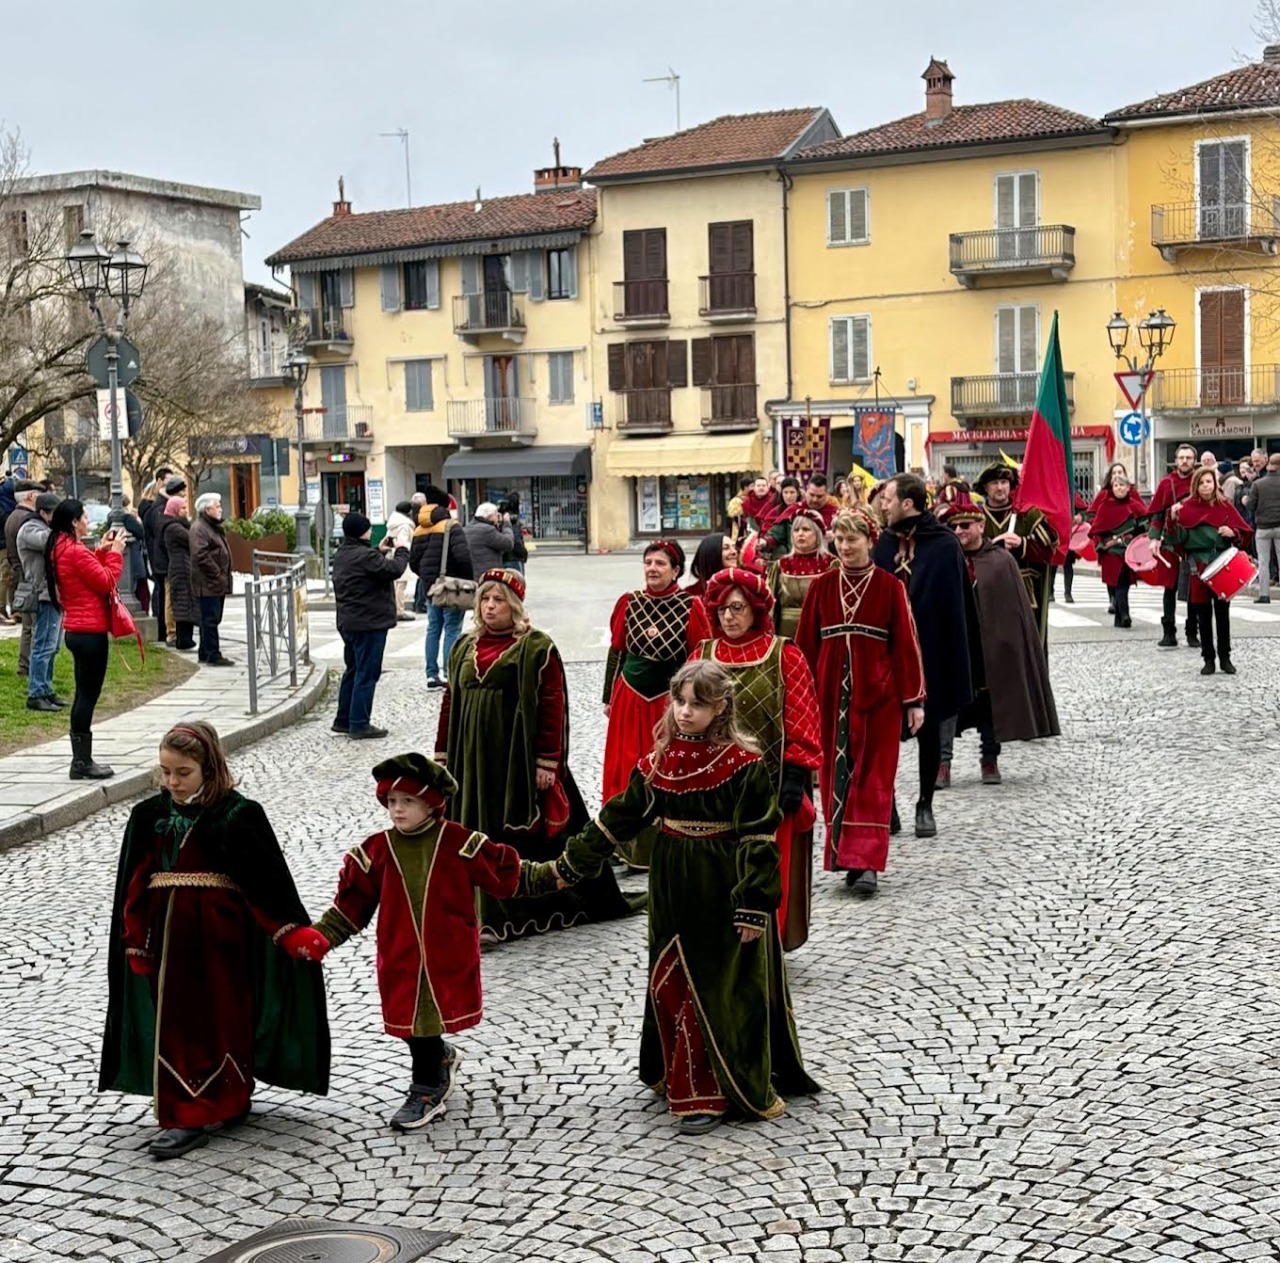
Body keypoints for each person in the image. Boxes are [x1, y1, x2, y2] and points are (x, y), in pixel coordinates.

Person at [524, 659, 819, 1135]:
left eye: (697, 704)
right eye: (679, 702)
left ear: (720, 707)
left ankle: (712, 1089)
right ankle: (679, 1073)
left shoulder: (745, 765)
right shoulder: (660, 762)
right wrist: (569, 865)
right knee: (673, 975)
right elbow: (618, 818)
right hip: (670, 883)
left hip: (722, 888)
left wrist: (753, 905)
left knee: (717, 985)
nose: (684, 712)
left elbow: (759, 840)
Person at [99, 721, 329, 1159]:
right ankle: (185, 1114)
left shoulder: (238, 814)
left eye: (182, 772)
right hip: (167, 940)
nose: (171, 781)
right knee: (180, 1024)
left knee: (225, 1016)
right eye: (165, 771)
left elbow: (265, 882)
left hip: (224, 939)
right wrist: (134, 939)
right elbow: (133, 882)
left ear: (209, 767)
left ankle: (229, 1096)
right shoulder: (149, 815)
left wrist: (289, 931)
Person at [308, 753, 519, 1129]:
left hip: (447, 952)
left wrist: (560, 874)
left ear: (430, 804)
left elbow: (507, 875)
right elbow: (350, 908)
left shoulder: (459, 842)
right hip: (400, 953)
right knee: (410, 1019)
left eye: (408, 801)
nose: (397, 810)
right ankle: (438, 1058)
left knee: (426, 1016)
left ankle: (426, 1087)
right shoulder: (376, 850)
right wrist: (318, 939)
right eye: (391, 801)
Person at [435, 569, 637, 940]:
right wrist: (443, 756)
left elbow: (551, 705)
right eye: (485, 599)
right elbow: (451, 702)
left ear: (514, 605)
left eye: (498, 600)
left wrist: (547, 762)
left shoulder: (537, 647)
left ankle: (510, 910)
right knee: (468, 830)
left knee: (521, 834)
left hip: (514, 762)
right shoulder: (464, 646)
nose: (490, 606)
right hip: (470, 760)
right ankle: (472, 910)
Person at [795, 511, 925, 896]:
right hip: (831, 695)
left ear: (869, 541)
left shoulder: (889, 587)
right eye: (839, 539)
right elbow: (804, 646)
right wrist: (801, 696)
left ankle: (866, 863)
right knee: (837, 775)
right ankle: (843, 856)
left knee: (873, 777)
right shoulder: (820, 587)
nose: (845, 547)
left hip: (878, 697)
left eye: (853, 540)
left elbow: (906, 644)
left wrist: (913, 699)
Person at [695, 567, 822, 945]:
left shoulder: (783, 654)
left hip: (770, 788)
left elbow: (802, 717)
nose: (729, 617)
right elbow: (681, 716)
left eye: (737, 608)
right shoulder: (702, 655)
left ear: (755, 610)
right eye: (722, 610)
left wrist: (795, 775)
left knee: (767, 869)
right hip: (712, 788)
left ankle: (766, 943)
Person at [873, 474, 978, 838]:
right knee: (884, 731)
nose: (882, 504)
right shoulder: (882, 544)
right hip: (887, 652)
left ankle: (924, 804)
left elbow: (959, 609)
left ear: (907, 502)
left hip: (931, 647)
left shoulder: (945, 545)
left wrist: (956, 659)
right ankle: (888, 806)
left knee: (929, 728)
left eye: (888, 498)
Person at [601, 541, 713, 867]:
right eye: (648, 562)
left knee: (662, 767)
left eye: (660, 563)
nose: (652, 568)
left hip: (668, 702)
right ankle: (618, 840)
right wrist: (608, 696)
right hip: (629, 698)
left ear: (675, 570)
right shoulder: (629, 603)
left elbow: (698, 657)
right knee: (623, 768)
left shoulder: (690, 607)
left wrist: (692, 702)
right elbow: (617, 650)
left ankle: (660, 841)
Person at [938, 494, 1059, 786]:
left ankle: (989, 759)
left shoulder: (1001, 560)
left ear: (980, 526)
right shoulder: (944, 559)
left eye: (965, 526)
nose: (960, 532)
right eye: (954, 528)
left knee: (990, 700)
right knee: (946, 704)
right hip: (954, 645)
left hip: (990, 646)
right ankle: (943, 763)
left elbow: (1013, 611)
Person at [44, 501, 127, 778]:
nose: (88, 519)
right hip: (90, 632)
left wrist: (100, 552)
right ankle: (81, 762)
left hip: (76, 630)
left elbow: (87, 577)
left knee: (83, 694)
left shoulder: (61, 548)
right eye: (84, 516)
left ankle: (81, 759)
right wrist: (115, 554)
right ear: (74, 522)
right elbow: (106, 582)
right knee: (87, 697)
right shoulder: (76, 551)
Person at [1165, 466, 1252, 675]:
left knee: (1223, 614)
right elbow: (1176, 540)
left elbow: (1244, 532)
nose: (1206, 486)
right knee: (1203, 615)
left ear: (1215, 483)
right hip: (1198, 567)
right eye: (1202, 482)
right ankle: (1208, 659)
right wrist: (1173, 519)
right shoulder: (1186, 508)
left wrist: (1233, 532)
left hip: (1222, 564)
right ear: (1196, 485)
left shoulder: (1225, 505)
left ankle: (1225, 657)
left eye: (1209, 482)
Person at [332, 511, 408, 739]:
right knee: (367, 673)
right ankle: (359, 723)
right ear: (362, 531)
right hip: (369, 623)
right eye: (368, 528)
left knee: (353, 670)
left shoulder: (344, 553)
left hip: (350, 622)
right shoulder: (365, 556)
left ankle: (343, 719)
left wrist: (379, 550)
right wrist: (402, 550)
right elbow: (394, 570)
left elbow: (366, 565)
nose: (371, 531)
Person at [974, 462, 1057, 642]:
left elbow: (1049, 549)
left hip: (1023, 592)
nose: (1000, 487)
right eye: (994, 483)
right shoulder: (975, 517)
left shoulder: (1028, 514)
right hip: (988, 591)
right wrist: (993, 546)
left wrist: (1022, 544)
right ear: (985, 488)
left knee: (1024, 645)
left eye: (1004, 482)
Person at [412, 488, 473, 690]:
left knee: (433, 628)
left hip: (430, 587)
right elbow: (463, 557)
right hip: (450, 586)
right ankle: (449, 673)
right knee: (452, 629)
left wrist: (427, 577)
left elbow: (413, 562)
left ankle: (431, 675)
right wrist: (467, 580)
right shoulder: (450, 526)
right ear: (446, 505)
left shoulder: (419, 528)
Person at [1145, 444, 1199, 648]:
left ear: (1194, 460)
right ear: (1175, 461)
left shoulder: (1201, 481)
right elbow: (1157, 514)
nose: (1185, 461)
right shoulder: (1167, 484)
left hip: (1194, 543)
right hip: (1170, 543)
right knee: (1170, 588)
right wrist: (1154, 537)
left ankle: (1193, 633)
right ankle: (1169, 632)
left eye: (1189, 457)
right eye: (1181, 458)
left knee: (1195, 589)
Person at [16, 492, 65, 713]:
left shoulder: (43, 527)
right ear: (43, 513)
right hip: (42, 593)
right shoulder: (30, 529)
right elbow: (49, 543)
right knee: (43, 645)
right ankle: (36, 692)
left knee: (51, 646)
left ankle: (45, 689)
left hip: (53, 593)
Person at [1088, 471, 1147, 628]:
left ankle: (1120, 616)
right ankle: (1124, 614)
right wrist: (1101, 545)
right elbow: (1096, 531)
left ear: (1128, 488)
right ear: (1112, 488)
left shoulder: (1135, 506)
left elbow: (1145, 525)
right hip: (1112, 552)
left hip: (1129, 551)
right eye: (1116, 485)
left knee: (1124, 583)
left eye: (1122, 485)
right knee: (1118, 582)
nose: (1119, 488)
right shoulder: (1104, 507)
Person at [767, 508, 834, 639]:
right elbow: (770, 606)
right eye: (796, 530)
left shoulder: (831, 564)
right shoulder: (781, 565)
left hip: (820, 631)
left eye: (806, 529)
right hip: (787, 633)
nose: (800, 534)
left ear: (817, 534)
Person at [189, 492, 234, 667]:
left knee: (211, 618)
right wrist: (217, 573)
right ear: (207, 509)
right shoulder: (200, 528)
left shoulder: (210, 526)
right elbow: (200, 555)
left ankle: (205, 651)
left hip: (213, 582)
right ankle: (212, 653)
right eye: (217, 506)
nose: (220, 509)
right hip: (207, 582)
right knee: (210, 619)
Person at [4, 480, 41, 672]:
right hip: (28, 575)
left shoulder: (13, 516)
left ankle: (25, 665)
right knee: (33, 625)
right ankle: (29, 665)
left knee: (28, 625)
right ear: (31, 496)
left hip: (19, 572)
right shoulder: (27, 519)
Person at [161, 496, 198, 652]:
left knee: (186, 602)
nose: (186, 510)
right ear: (175, 510)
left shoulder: (178, 525)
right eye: (182, 508)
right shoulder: (173, 528)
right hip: (179, 568)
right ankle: (182, 638)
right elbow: (192, 540)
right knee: (182, 604)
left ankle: (186, 638)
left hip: (183, 567)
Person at [1245, 453, 1280, 603]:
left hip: (1263, 527)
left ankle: (1264, 595)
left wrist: (1246, 500)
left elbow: (1251, 506)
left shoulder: (1258, 484)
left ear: (1269, 465)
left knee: (1263, 562)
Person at [109, 495, 149, 614]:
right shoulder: (126, 518)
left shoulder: (111, 518)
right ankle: (143, 610)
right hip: (134, 557)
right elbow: (141, 532)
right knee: (141, 589)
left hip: (126, 556)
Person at [385, 499, 417, 622]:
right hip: (400, 555)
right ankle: (399, 610)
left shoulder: (393, 522)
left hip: (391, 554)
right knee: (401, 584)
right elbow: (403, 542)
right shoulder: (405, 525)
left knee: (394, 584)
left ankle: (394, 608)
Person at [463, 501, 514, 575]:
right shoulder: (488, 530)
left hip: (473, 574)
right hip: (488, 574)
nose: (498, 517)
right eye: (496, 515)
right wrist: (506, 524)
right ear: (490, 516)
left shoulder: (467, 528)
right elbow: (508, 543)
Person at [686, 532, 738, 598]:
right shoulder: (691, 595)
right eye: (726, 548)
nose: (734, 552)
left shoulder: (743, 587)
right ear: (711, 554)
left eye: (734, 547)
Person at [496, 493, 529, 575]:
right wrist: (523, 554)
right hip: (513, 559)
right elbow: (517, 543)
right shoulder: (511, 521)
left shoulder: (500, 519)